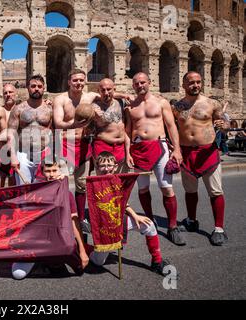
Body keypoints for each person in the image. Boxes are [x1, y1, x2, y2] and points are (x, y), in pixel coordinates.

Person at [53, 70, 131, 222]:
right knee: (61, 182)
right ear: (69, 82)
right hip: (65, 144)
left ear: (86, 81)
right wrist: (73, 124)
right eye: (75, 80)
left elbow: (107, 93)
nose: (79, 83)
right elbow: (58, 123)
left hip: (82, 145)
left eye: (81, 80)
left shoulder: (90, 97)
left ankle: (81, 219)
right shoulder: (60, 99)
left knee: (82, 184)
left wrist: (125, 96)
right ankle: (61, 217)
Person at [125, 72, 185, 246]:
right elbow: (128, 131)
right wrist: (128, 152)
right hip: (138, 149)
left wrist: (178, 150)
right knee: (143, 189)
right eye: (136, 83)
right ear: (133, 86)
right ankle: (150, 221)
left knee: (166, 188)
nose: (140, 85)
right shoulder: (130, 107)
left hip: (159, 146)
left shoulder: (161, 102)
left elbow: (171, 125)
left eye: (142, 82)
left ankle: (173, 226)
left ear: (149, 82)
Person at [88, 151, 170, 275]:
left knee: (149, 225)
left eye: (109, 165)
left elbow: (123, 202)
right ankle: (82, 247)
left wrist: (135, 215)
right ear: (97, 167)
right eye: (102, 166)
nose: (106, 169)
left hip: (119, 220)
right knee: (98, 262)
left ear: (115, 167)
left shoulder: (117, 180)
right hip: (104, 226)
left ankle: (157, 262)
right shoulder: (92, 183)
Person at [173, 71, 229, 246]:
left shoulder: (212, 104)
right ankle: (191, 220)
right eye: (191, 82)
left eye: (198, 82)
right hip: (186, 153)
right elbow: (171, 127)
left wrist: (224, 126)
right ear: (184, 85)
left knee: (215, 191)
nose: (195, 85)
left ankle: (218, 228)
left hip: (208, 152)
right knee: (190, 190)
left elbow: (226, 123)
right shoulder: (178, 107)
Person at [11, 160, 90, 280]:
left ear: (60, 171)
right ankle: (40, 258)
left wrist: (82, 250)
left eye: (54, 170)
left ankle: (53, 258)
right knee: (18, 274)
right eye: (48, 171)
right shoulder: (35, 191)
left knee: (75, 266)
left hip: (58, 237)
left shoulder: (66, 194)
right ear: (42, 172)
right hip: (37, 239)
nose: (51, 174)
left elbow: (74, 222)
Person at [91, 78, 130, 173]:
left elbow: (128, 127)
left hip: (120, 146)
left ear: (114, 89)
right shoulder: (94, 106)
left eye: (109, 89)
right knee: (103, 181)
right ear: (98, 91)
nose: (106, 92)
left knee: (119, 182)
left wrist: (128, 152)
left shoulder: (121, 102)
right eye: (103, 90)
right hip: (103, 146)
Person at [0, 83, 17, 187]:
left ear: (16, 94)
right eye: (5, 93)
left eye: (10, 92)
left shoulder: (22, 109)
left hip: (17, 151)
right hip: (1, 151)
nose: (8, 95)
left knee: (13, 182)